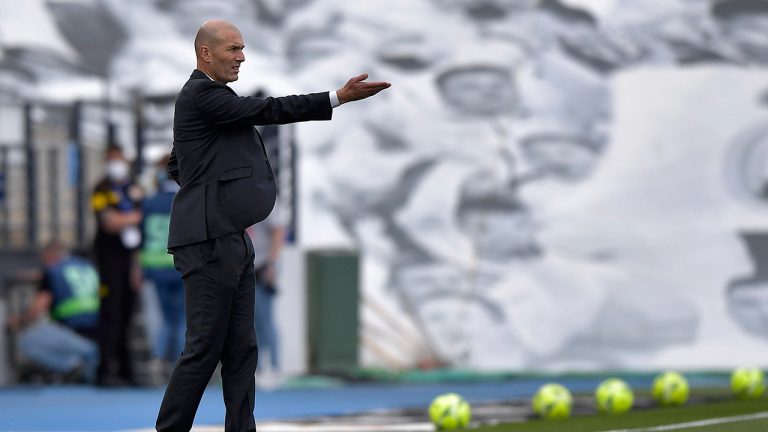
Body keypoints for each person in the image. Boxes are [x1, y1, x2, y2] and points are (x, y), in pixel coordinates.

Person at [156, 19, 389, 432]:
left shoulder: (209, 103)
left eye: (242, 49)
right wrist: (335, 98)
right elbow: (267, 109)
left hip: (232, 238)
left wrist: (212, 192)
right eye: (233, 49)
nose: (242, 57)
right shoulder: (201, 95)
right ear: (206, 54)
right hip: (209, 241)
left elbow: (179, 164)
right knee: (205, 346)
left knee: (242, 348)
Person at [6, 241, 100, 384]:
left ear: (50, 256)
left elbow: (39, 307)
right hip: (99, 331)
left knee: (27, 340)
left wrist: (19, 321)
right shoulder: (87, 266)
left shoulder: (53, 271)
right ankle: (87, 362)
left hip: (73, 331)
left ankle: (72, 365)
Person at [90, 144, 143, 386]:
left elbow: (141, 217)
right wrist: (133, 216)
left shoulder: (133, 189)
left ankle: (125, 370)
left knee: (127, 315)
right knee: (110, 313)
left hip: (129, 259)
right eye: (111, 160)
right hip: (108, 259)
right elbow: (109, 222)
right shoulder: (101, 189)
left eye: (119, 159)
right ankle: (105, 369)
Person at [140, 154, 184, 380]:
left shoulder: (149, 202)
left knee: (166, 317)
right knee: (182, 318)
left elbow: (141, 237)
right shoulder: (184, 199)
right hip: (181, 266)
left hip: (156, 268)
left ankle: (158, 358)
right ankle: (178, 363)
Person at [246, 203, 285, 388]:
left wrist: (272, 264)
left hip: (262, 266)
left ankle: (274, 367)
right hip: (247, 266)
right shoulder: (241, 198)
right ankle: (259, 368)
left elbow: (278, 232)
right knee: (252, 321)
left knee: (266, 320)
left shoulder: (266, 201)